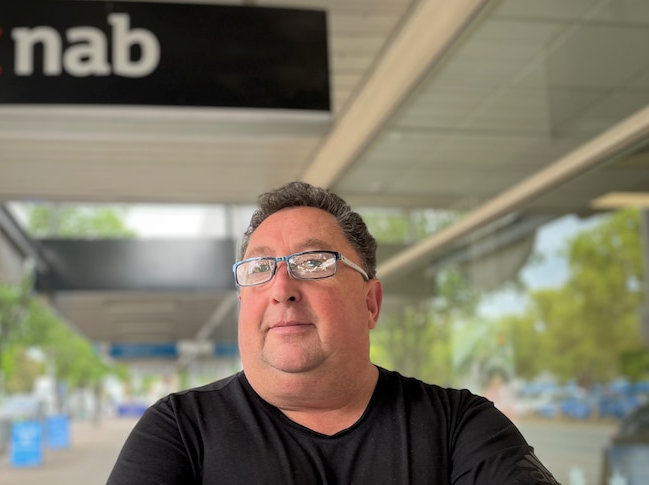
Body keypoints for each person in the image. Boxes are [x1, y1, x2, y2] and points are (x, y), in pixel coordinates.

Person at [107, 181, 560, 484]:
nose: (282, 288)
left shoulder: (459, 426)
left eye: (313, 263)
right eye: (260, 267)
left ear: (370, 303)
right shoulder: (179, 432)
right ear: (244, 300)